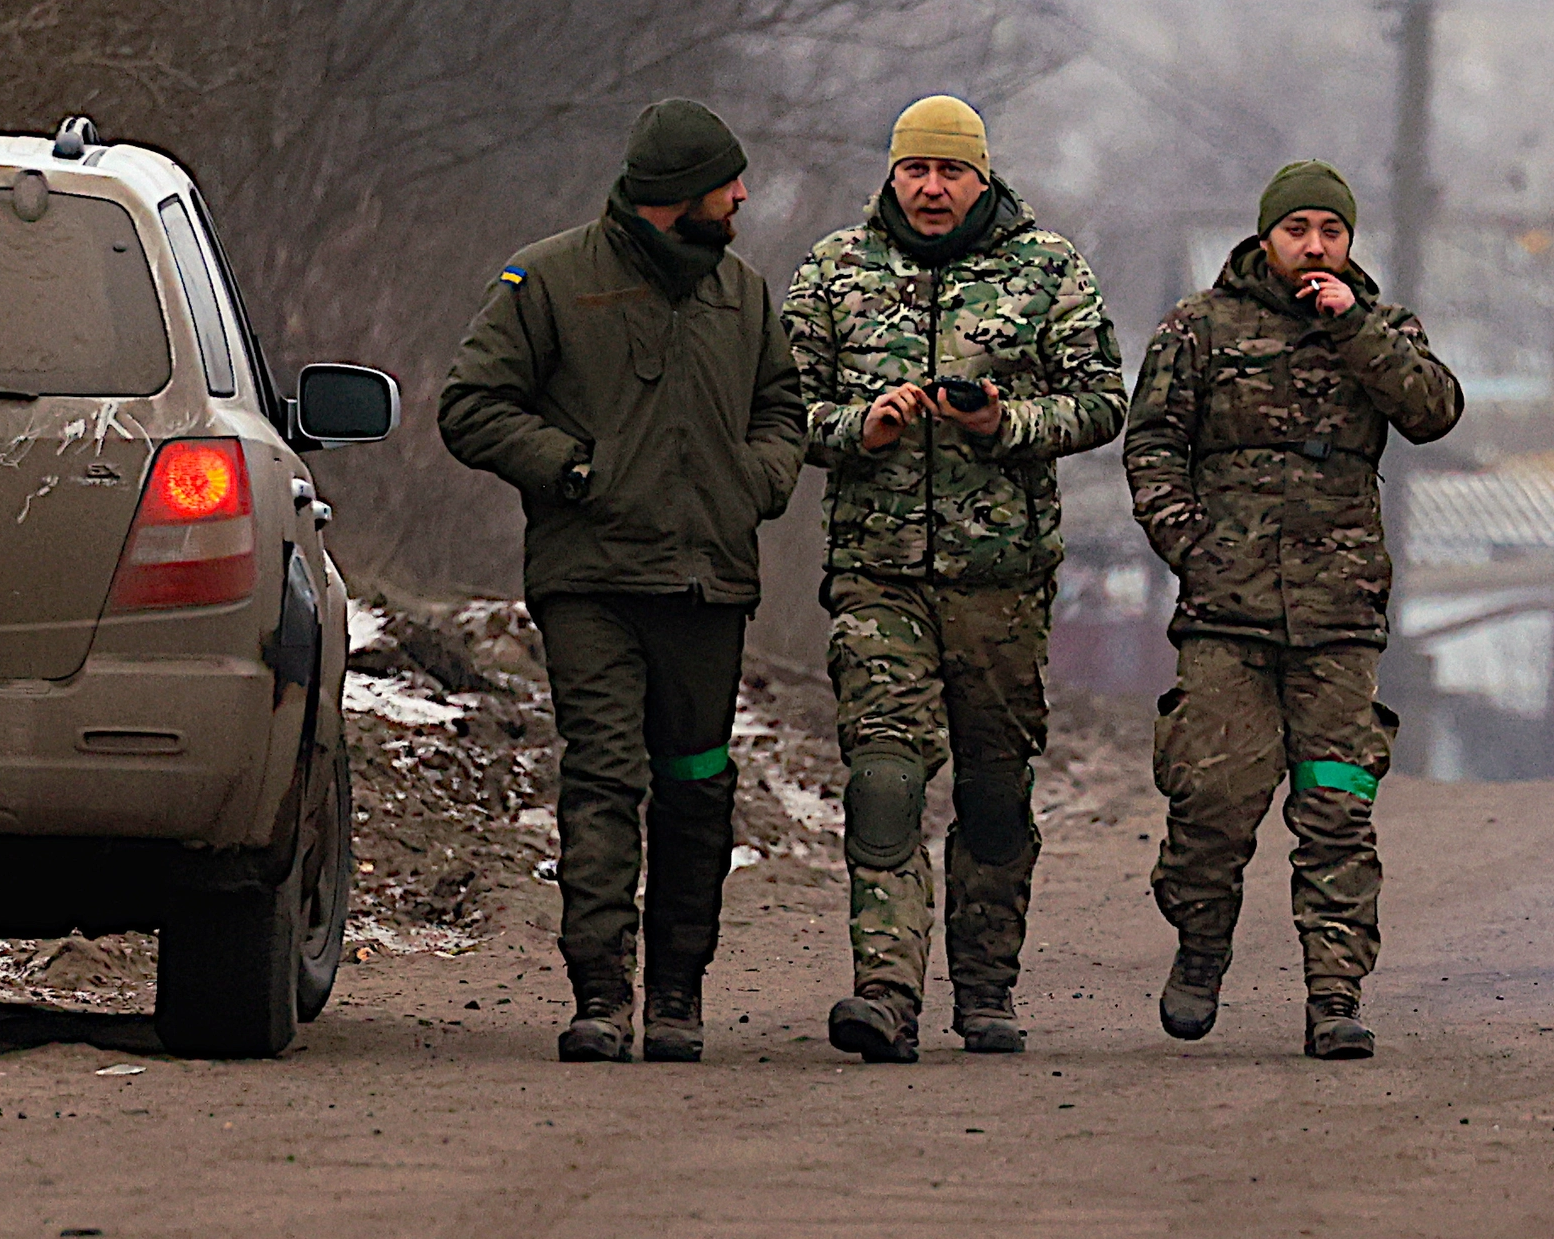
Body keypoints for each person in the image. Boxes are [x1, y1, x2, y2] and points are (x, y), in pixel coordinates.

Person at [439, 99, 804, 1063]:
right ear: (679, 196)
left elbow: (783, 409)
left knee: (696, 784)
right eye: (730, 182)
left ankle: (679, 990)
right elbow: (471, 405)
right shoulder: (549, 279)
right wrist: (572, 469)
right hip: (591, 578)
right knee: (603, 772)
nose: (743, 196)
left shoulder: (745, 294)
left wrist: (754, 482)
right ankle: (601, 990)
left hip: (707, 583)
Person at [781, 95, 1126, 1063]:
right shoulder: (834, 271)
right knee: (884, 776)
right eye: (914, 171)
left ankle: (985, 985)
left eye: (950, 171)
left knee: (992, 791)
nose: (931, 189)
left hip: (999, 579)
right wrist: (860, 426)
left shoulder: (1045, 268)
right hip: (875, 574)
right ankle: (885, 990)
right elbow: (778, 410)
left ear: (982, 176)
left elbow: (1103, 399)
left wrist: (1002, 423)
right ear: (891, 175)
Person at [1124, 160, 1462, 1059]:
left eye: (1332, 231)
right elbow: (1152, 443)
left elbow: (1433, 411)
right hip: (1226, 614)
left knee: (1338, 805)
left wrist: (1354, 331)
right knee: (1213, 799)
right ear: (1265, 237)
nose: (1315, 246)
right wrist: (1191, 545)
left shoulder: (1383, 328)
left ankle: (1334, 992)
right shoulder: (1199, 328)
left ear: (1350, 243)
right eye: (1298, 229)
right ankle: (1201, 946)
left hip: (1338, 615)